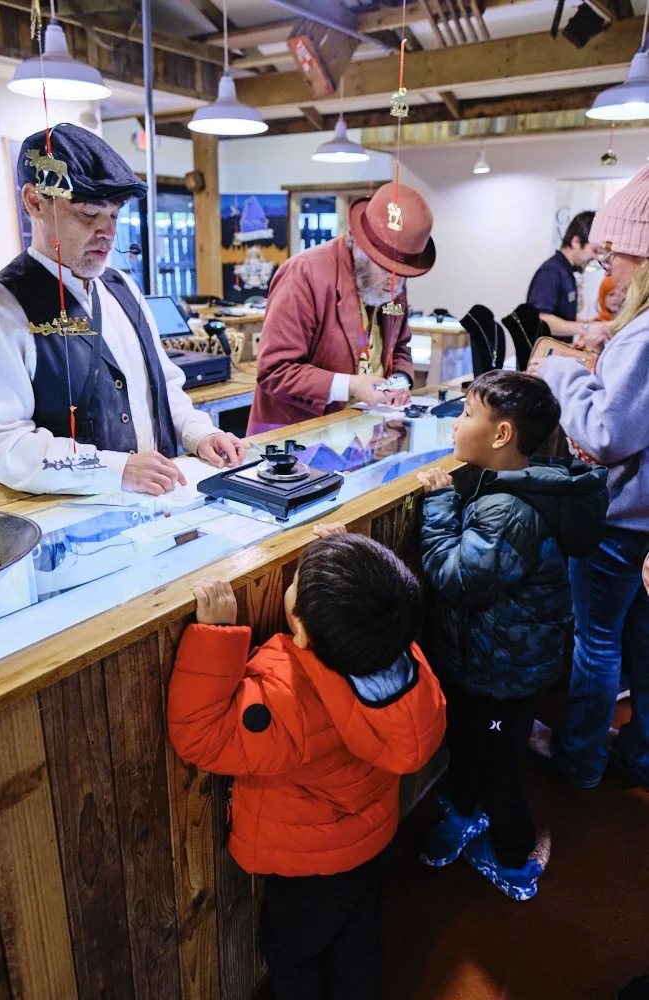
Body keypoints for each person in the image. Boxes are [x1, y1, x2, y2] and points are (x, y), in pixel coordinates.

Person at [167, 527, 446, 1000]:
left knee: (293, 957)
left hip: (310, 867)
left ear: (300, 630)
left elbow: (202, 736)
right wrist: (341, 560)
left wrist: (215, 635)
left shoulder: (286, 694)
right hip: (372, 840)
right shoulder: (399, 662)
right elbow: (366, 607)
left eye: (298, 583)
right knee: (358, 941)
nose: (292, 581)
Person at [415, 371, 607, 900]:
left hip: (502, 673)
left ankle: (515, 861)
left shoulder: (509, 511)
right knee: (474, 751)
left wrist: (437, 506)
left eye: (467, 414)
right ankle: (463, 814)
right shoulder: (517, 484)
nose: (457, 424)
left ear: (501, 435)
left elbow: (456, 580)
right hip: (494, 663)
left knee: (499, 768)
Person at [0, 124, 245, 497]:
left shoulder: (123, 288)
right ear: (35, 202)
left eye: (114, 216)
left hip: (157, 515)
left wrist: (200, 433)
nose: (107, 233)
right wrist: (114, 469)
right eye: (89, 215)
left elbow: (163, 387)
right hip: (65, 534)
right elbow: (2, 445)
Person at [532, 165, 649, 791]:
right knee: (639, 643)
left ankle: (579, 759)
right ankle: (639, 755)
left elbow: (605, 434)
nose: (610, 268)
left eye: (617, 254)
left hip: (620, 518)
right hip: (643, 521)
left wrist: (560, 371)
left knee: (596, 642)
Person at [248, 182, 436, 433]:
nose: (396, 284)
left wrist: (399, 380)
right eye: (386, 269)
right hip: (296, 434)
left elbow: (400, 347)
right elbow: (275, 371)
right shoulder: (304, 274)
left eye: (403, 274)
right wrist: (349, 385)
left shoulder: (392, 282)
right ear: (361, 248)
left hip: (363, 429)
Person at [527, 210, 609, 349]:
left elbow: (564, 317)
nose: (596, 258)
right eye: (595, 251)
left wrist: (594, 325)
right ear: (576, 241)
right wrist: (586, 328)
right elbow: (541, 319)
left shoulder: (566, 271)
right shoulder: (551, 272)